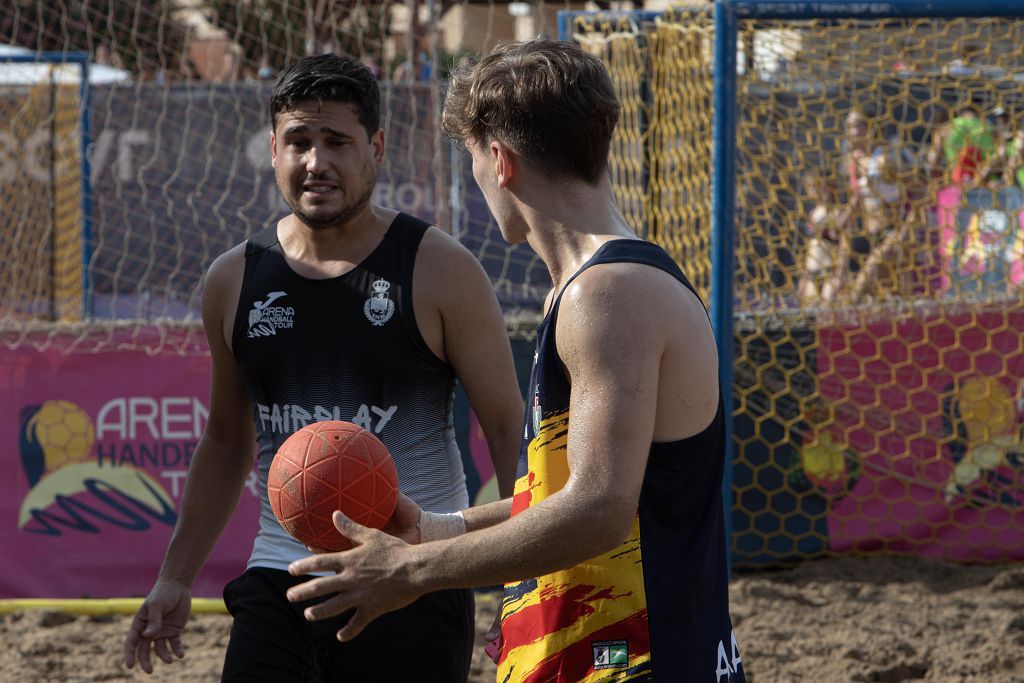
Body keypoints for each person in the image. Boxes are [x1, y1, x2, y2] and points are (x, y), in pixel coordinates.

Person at [285, 38, 747, 682]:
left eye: (472, 159)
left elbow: (597, 511)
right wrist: (440, 531)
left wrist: (410, 572)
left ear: (499, 161)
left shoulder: (607, 294)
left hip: (639, 663)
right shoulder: (595, 286)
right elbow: (577, 493)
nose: (477, 176)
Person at [121, 53, 524, 681]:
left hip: (412, 572)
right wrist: (174, 578)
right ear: (274, 148)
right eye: (298, 142)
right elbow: (227, 441)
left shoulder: (439, 268)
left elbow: (507, 428)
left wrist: (521, 579)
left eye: (336, 141)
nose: (316, 162)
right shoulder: (234, 278)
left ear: (376, 147)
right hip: (281, 574)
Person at [796, 172, 854, 307]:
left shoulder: (837, 213)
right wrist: (804, 276)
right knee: (809, 309)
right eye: (810, 187)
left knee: (826, 309)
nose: (813, 190)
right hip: (811, 270)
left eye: (817, 186)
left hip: (828, 271)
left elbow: (844, 246)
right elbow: (809, 249)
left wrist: (841, 271)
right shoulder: (812, 214)